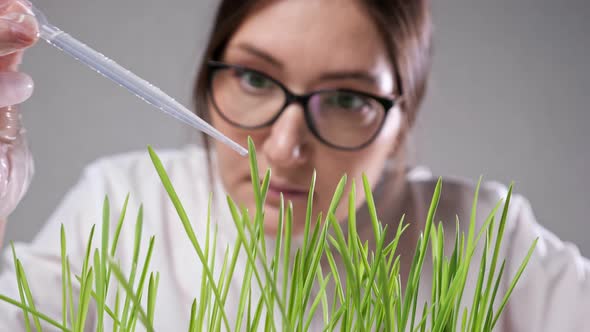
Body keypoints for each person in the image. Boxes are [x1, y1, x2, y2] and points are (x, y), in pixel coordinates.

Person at [0, 0, 588, 331]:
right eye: (255, 79)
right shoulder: (123, 200)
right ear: (208, 81)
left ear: (402, 120)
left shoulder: (487, 237)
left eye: (347, 99)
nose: (283, 149)